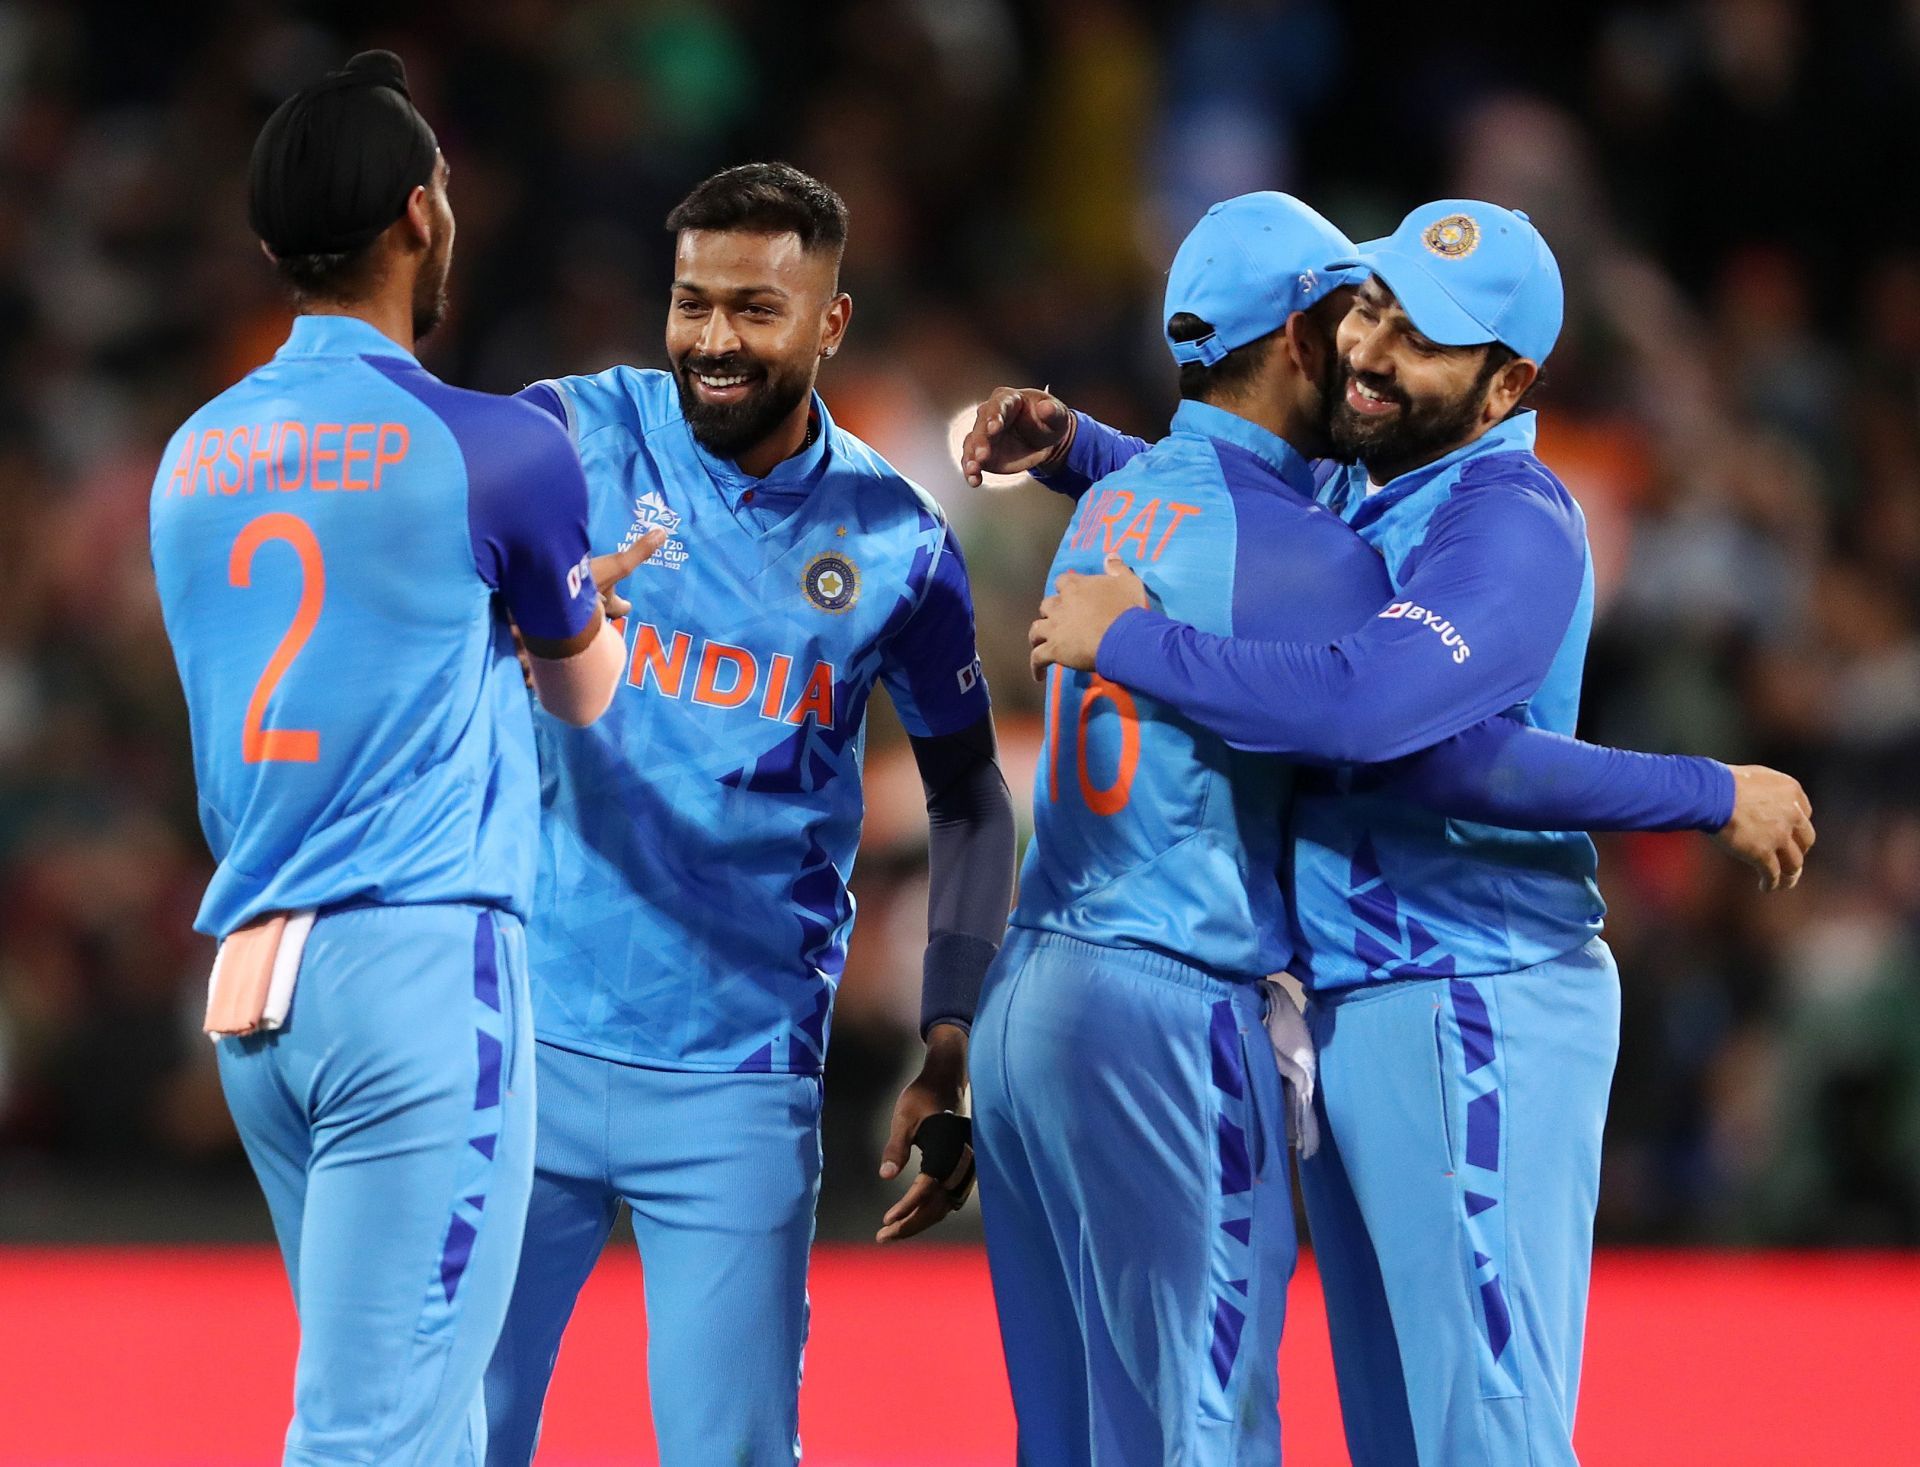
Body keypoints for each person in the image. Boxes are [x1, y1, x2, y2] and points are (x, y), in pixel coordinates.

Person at [965, 192, 1811, 1467]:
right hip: (1362, 1006)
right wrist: (1073, 441)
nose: (1373, 353)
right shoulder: (1366, 486)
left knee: (1488, 1430)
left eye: (1423, 341)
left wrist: (1706, 792)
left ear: (1506, 380)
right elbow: (1223, 493)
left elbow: (1396, 730)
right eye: (1374, 310)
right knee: (1402, 1440)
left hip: (1475, 991)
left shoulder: (1508, 523)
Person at [471, 163, 1017, 1466]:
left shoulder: (901, 544)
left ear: (829, 323)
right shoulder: (566, 436)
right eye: (691, 302)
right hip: (524, 1038)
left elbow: (971, 803)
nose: (714, 339)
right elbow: (390, 557)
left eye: (755, 311)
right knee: (450, 1433)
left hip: (735, 1073)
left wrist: (949, 1034)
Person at [148, 52, 645, 1466]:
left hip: (258, 985)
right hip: (421, 978)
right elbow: (584, 694)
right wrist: (582, 603)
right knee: (387, 1434)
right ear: (424, 214)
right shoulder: (499, 447)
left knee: (394, 1411)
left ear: (269, 243)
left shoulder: (188, 458)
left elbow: (343, 636)